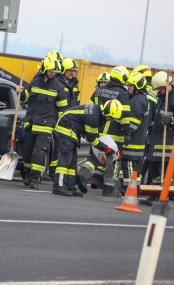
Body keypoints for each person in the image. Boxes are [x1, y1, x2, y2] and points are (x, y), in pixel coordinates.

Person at [54, 99, 124, 198]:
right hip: (66, 128)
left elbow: (93, 134)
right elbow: (91, 139)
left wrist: (105, 147)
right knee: (66, 158)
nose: (111, 120)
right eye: (112, 118)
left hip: (71, 128)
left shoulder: (97, 113)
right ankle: (58, 186)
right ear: (108, 112)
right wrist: (106, 148)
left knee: (73, 161)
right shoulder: (94, 117)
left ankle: (70, 187)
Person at [16, 56, 67, 189]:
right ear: (45, 69)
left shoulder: (59, 88)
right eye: (51, 71)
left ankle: (34, 178)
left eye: (55, 72)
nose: (53, 74)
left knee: (39, 153)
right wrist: (20, 93)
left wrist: (60, 127)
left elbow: (62, 110)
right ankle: (28, 174)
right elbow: (25, 99)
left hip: (46, 126)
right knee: (26, 153)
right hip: (30, 124)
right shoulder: (35, 82)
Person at [83, 65, 131, 197]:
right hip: (114, 135)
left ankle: (83, 175)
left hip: (97, 132)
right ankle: (109, 189)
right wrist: (127, 133)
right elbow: (125, 116)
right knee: (114, 161)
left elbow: (88, 108)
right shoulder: (122, 94)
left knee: (94, 158)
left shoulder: (99, 90)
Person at [145, 71, 174, 186]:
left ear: (167, 86)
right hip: (158, 141)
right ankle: (155, 193)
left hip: (168, 143)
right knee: (154, 169)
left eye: (161, 89)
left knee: (164, 172)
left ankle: (163, 195)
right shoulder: (162, 97)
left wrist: (171, 120)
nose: (159, 92)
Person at [120, 72, 150, 192]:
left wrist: (127, 132)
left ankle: (129, 188)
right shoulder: (140, 98)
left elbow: (134, 121)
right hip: (137, 140)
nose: (128, 88)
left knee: (129, 166)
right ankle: (130, 187)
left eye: (131, 86)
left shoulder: (138, 100)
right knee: (132, 167)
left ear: (138, 86)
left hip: (133, 141)